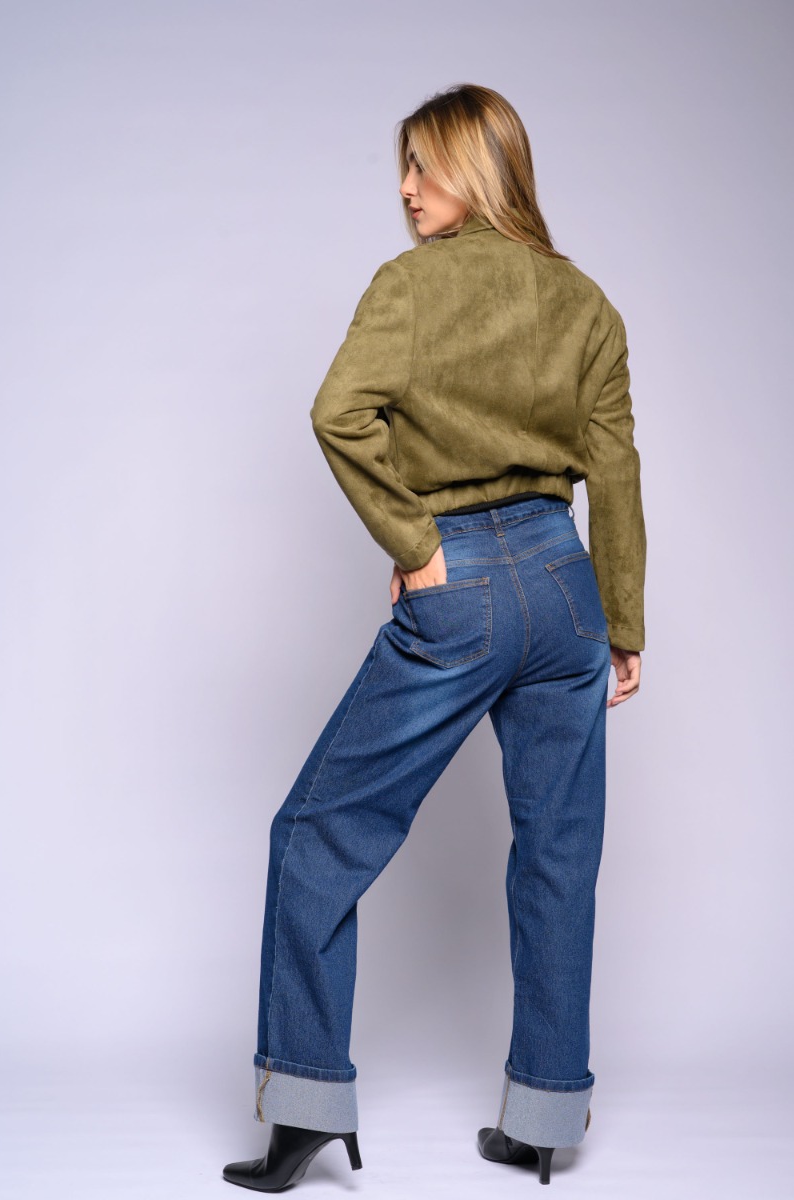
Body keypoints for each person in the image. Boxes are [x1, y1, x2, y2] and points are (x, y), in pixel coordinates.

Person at [223, 82, 646, 1191]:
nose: (407, 191)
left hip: (461, 585)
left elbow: (338, 412)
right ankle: (545, 1119)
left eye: (426, 165)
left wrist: (416, 546)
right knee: (559, 855)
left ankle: (305, 1102)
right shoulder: (588, 303)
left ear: (484, 168)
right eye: (403, 168)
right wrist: (622, 620)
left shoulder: (410, 286)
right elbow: (615, 471)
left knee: (317, 833)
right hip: (563, 584)